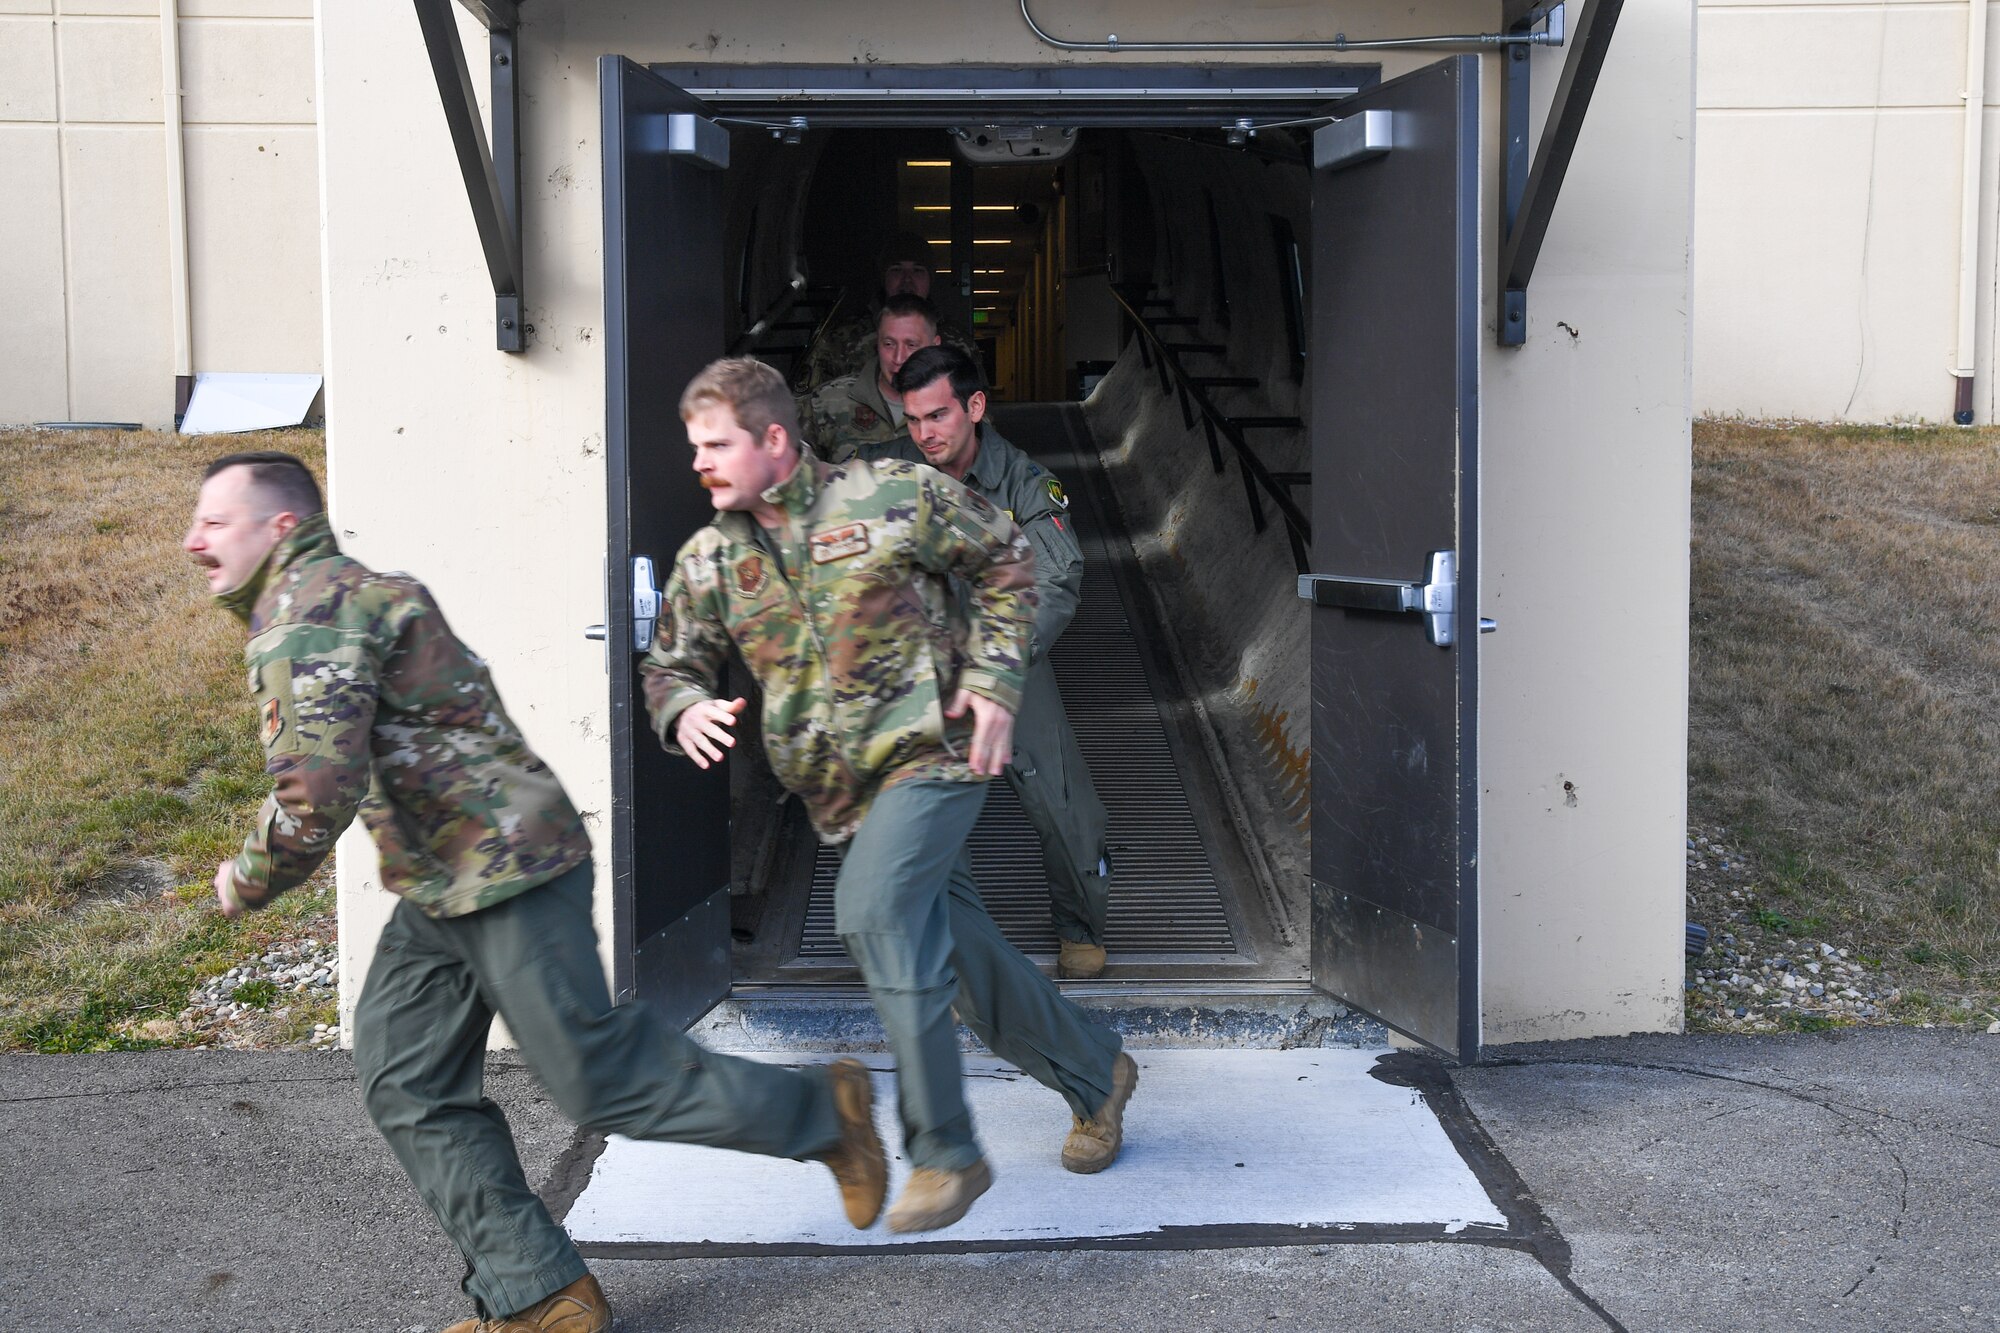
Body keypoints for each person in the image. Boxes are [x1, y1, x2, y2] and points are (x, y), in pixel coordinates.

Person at [186, 450, 886, 1333]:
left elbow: (314, 792)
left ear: (279, 525)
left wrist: (246, 878)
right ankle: (540, 1290)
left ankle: (824, 1113)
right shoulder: (352, 590)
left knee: (602, 1079)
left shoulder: (307, 614)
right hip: (448, 878)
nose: (192, 541)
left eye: (214, 521)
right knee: (407, 1078)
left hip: (503, 869)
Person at [641, 359, 1138, 1235]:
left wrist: (992, 677)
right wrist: (682, 706)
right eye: (694, 448)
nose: (700, 464)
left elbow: (1009, 557)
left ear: (774, 441)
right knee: (959, 961)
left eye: (716, 445)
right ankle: (1098, 1073)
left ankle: (945, 1151)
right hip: (847, 800)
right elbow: (670, 662)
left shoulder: (890, 495)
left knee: (872, 912)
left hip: (934, 755)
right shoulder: (714, 559)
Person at [876, 345, 1114, 978]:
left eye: (938, 415)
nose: (924, 433)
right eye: (913, 418)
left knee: (1061, 802)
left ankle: (1079, 926)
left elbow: (1057, 580)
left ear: (975, 407)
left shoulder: (1025, 484)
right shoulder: (883, 475)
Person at [797, 231, 981, 391]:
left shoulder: (958, 344)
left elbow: (977, 414)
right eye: (897, 270)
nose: (907, 281)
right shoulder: (840, 339)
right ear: (884, 278)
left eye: (917, 271)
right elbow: (806, 408)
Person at [797, 292, 941, 462]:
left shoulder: (957, 408)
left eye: (911, 345)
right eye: (889, 344)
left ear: (934, 347)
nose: (898, 358)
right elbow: (792, 475)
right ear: (877, 344)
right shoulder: (825, 402)